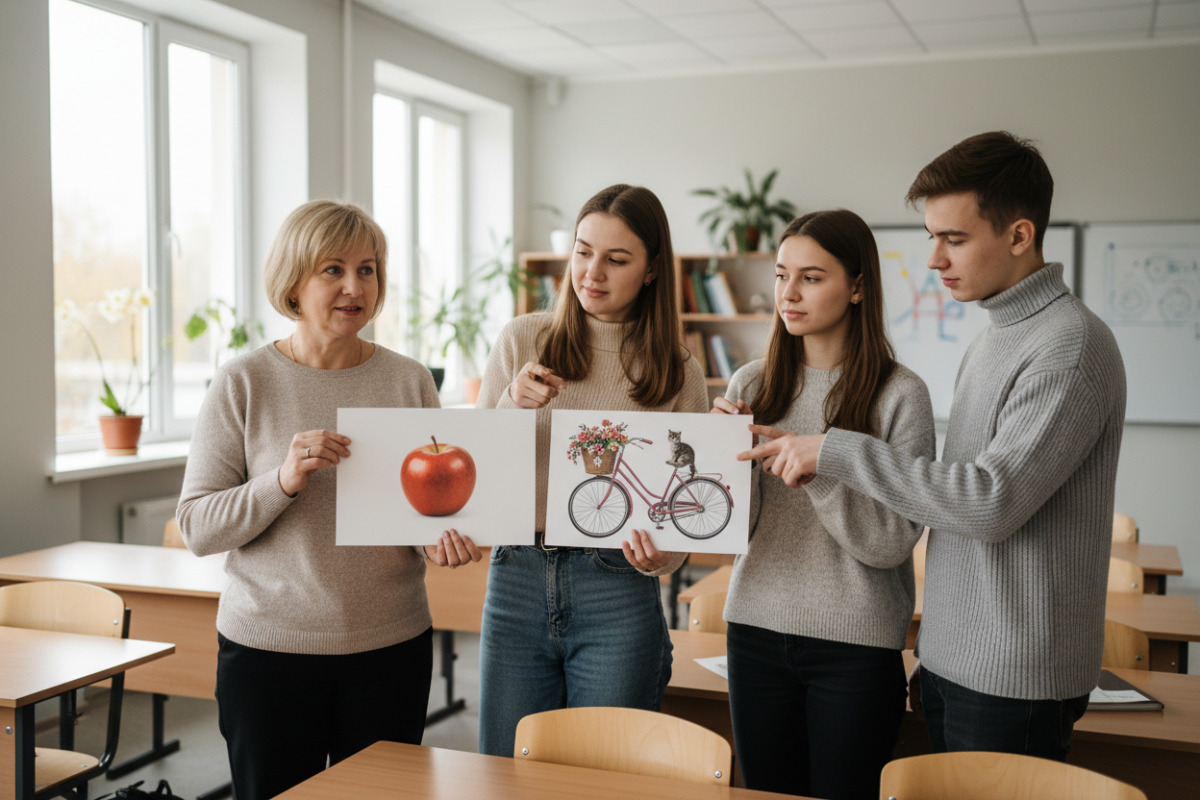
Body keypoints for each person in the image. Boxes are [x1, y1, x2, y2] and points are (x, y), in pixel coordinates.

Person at [740, 131, 1127, 760]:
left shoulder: (1069, 346)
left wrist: (831, 452)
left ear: (1019, 236)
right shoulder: (994, 338)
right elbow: (953, 505)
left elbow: (990, 502)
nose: (934, 260)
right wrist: (937, 653)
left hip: (1016, 677)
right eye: (932, 239)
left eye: (955, 239)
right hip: (958, 665)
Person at [176, 200, 481, 800]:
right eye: (332, 270)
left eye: (367, 270)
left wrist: (440, 538)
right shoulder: (243, 382)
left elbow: (419, 507)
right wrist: (282, 480)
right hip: (267, 652)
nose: (354, 286)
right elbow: (196, 526)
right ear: (293, 281)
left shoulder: (409, 380)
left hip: (390, 647)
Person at [475, 183, 709, 757]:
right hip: (518, 576)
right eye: (582, 252)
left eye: (616, 259)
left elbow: (683, 512)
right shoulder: (523, 339)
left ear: (653, 270)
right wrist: (511, 405)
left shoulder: (679, 369)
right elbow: (476, 471)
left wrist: (666, 558)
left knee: (603, 772)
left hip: (618, 590)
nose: (591, 272)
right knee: (505, 770)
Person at [712, 209, 935, 799]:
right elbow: (733, 529)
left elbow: (890, 545)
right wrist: (716, 457)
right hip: (755, 629)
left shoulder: (900, 395)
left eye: (811, 277)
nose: (789, 293)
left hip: (856, 645)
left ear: (858, 285)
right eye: (782, 275)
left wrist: (817, 468)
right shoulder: (749, 385)